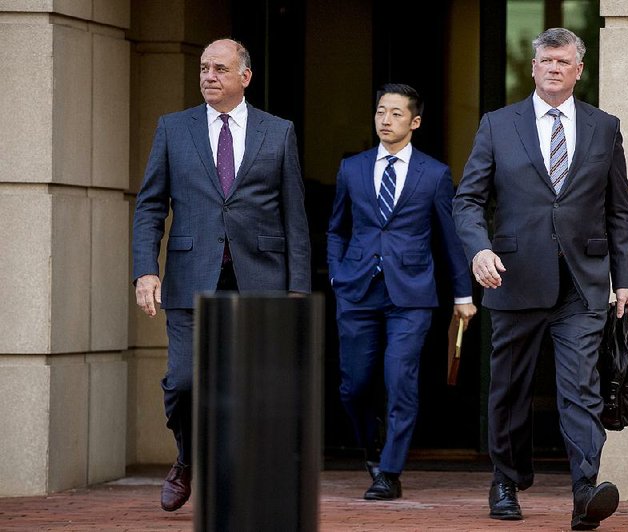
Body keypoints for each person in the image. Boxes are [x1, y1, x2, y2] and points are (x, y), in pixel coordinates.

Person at [452, 28, 628, 530]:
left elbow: (620, 212)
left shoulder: (604, 127)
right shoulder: (498, 124)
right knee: (510, 387)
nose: (554, 68)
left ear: (580, 70)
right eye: (546, 60)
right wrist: (479, 249)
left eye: (564, 61)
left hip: (583, 283)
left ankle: (584, 491)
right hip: (512, 278)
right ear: (533, 68)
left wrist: (625, 280)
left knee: (581, 386)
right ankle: (506, 480)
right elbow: (468, 200)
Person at [132, 38, 311, 512]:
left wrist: (297, 286)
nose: (209, 76)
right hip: (192, 276)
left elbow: (294, 214)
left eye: (220, 69)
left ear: (244, 77)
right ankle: (188, 458)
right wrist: (145, 270)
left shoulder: (279, 131)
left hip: (261, 278)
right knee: (184, 381)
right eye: (204, 68)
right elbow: (150, 206)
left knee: (255, 387)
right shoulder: (174, 128)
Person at [327, 83, 477, 500]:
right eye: (380, 112)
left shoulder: (434, 174)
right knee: (353, 386)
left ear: (414, 122)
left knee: (400, 379)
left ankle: (389, 471)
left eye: (395, 113)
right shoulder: (351, 168)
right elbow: (336, 228)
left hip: (410, 296)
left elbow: (450, 239)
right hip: (357, 291)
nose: (385, 120)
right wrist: (338, 274)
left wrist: (462, 295)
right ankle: (371, 443)